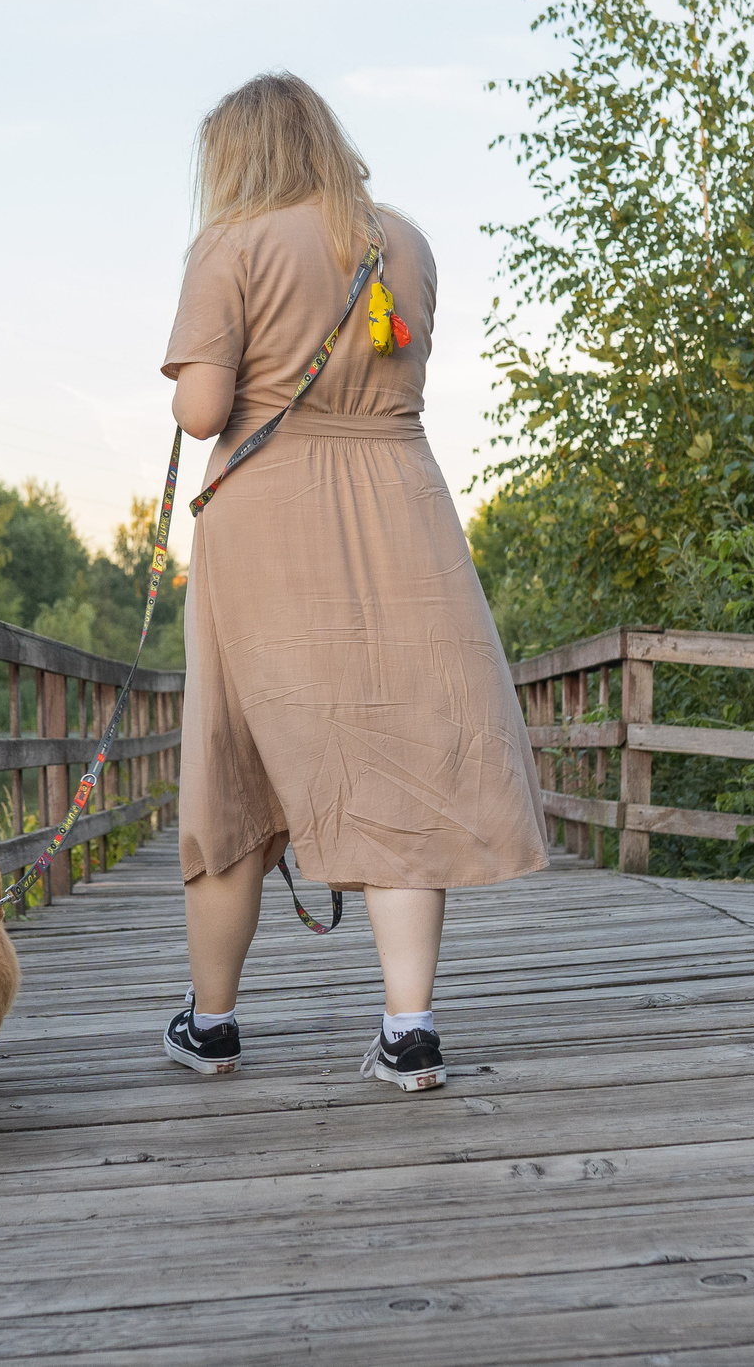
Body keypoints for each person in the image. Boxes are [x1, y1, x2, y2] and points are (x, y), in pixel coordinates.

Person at [158, 72, 546, 1092]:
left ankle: (213, 1024)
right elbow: (399, 366)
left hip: (269, 518)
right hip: (400, 506)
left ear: (237, 156)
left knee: (232, 767)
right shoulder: (402, 241)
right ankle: (408, 1030)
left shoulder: (229, 244)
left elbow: (202, 414)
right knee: (400, 753)